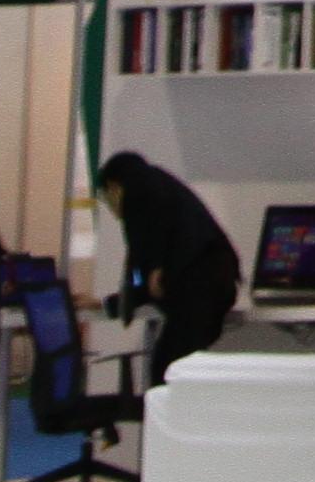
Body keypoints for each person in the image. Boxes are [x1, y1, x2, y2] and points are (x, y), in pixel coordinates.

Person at [90, 156, 241, 381]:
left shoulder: (139, 195)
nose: (109, 205)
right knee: (173, 367)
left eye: (105, 196)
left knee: (168, 372)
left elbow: (141, 273)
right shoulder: (164, 191)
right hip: (213, 286)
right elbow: (142, 280)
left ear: (114, 187)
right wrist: (110, 303)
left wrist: (153, 271)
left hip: (198, 292)